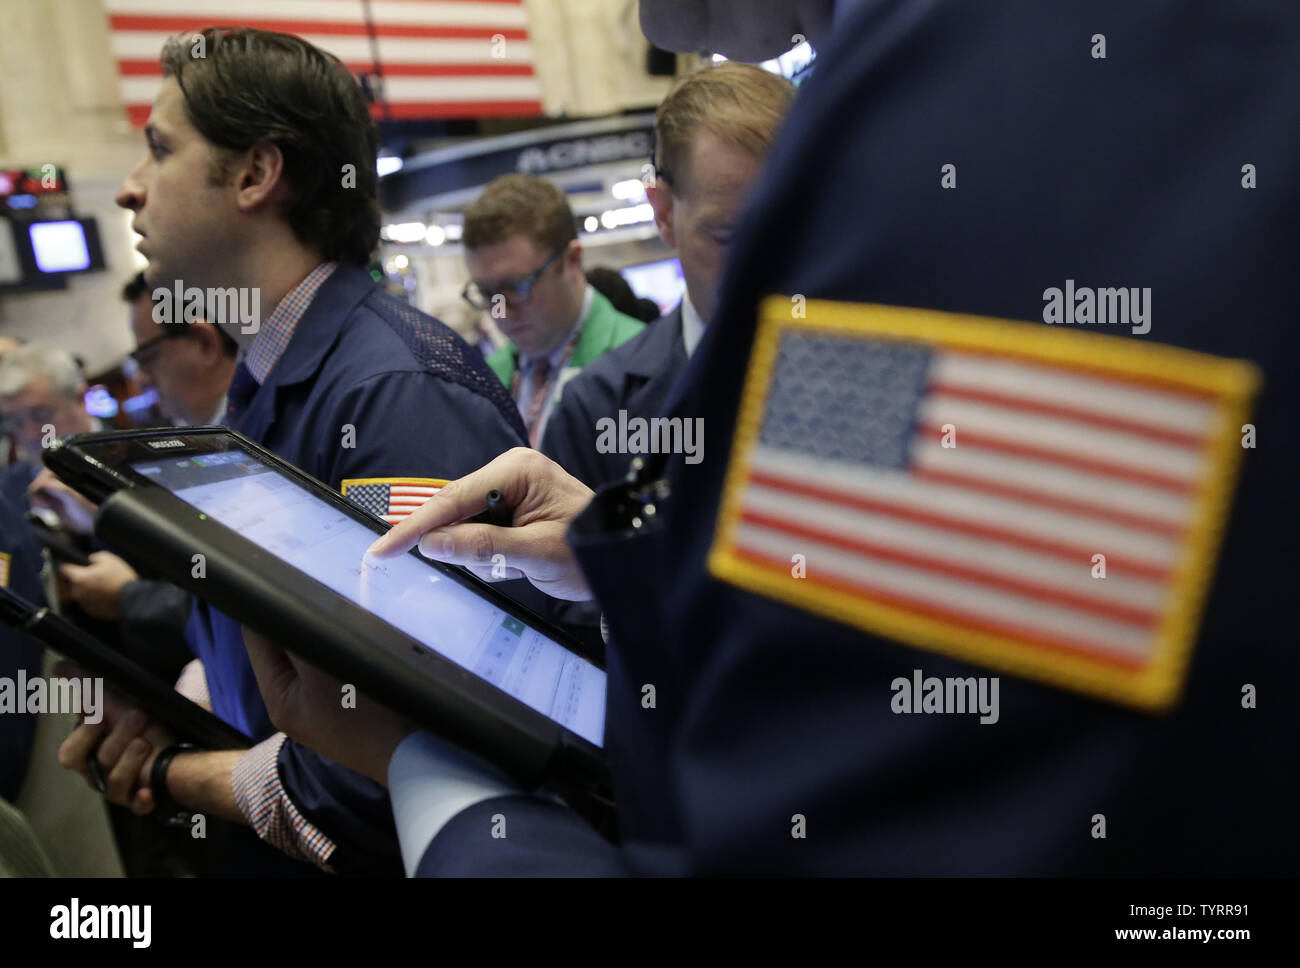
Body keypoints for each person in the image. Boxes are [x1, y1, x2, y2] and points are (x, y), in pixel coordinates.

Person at [243, 0, 1297, 876]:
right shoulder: (960, 80)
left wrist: (437, 775)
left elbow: (869, 832)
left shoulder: (964, 104)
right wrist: (639, 557)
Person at [57, 26, 528, 875]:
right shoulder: (272, 379)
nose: (128, 191)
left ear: (253, 174)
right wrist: (187, 710)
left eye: (159, 150)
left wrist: (177, 774)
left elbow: (428, 754)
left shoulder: (396, 395)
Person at [543, 62, 794, 489]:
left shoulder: (891, 364)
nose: (770, 268)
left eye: (798, 227)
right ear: (664, 214)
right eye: (730, 237)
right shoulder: (595, 414)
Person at [464, 174, 645, 446]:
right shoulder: (487, 376)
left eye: (517, 287)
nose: (502, 312)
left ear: (572, 260)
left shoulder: (643, 366)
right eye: (488, 293)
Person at [123, 270, 238, 426]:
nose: (141, 379)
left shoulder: (266, 440)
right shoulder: (196, 435)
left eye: (147, 358)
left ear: (205, 344)